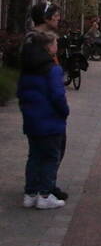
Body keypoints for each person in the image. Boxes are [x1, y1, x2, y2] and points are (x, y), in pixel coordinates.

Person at [18, 32, 69, 210]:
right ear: (48, 47)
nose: (57, 46)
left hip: (31, 119)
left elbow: (21, 93)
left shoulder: (28, 68)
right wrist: (64, 112)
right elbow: (58, 96)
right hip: (50, 121)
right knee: (50, 157)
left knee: (34, 156)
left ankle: (30, 194)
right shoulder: (52, 69)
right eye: (55, 43)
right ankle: (45, 195)